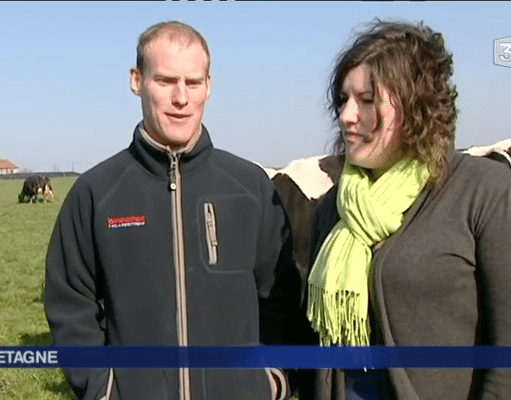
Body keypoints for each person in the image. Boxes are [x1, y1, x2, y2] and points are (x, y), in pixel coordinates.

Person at [44, 20, 301, 400]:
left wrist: (271, 380)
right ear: (136, 80)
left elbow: (282, 298)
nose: (181, 97)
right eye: (165, 81)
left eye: (193, 82)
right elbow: (71, 307)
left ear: (208, 87)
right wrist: (103, 389)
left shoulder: (251, 187)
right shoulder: (97, 192)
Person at [298, 19, 511, 399]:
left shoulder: (484, 192)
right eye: (343, 100)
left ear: (415, 107)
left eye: (366, 101)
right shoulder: (335, 207)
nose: (347, 115)